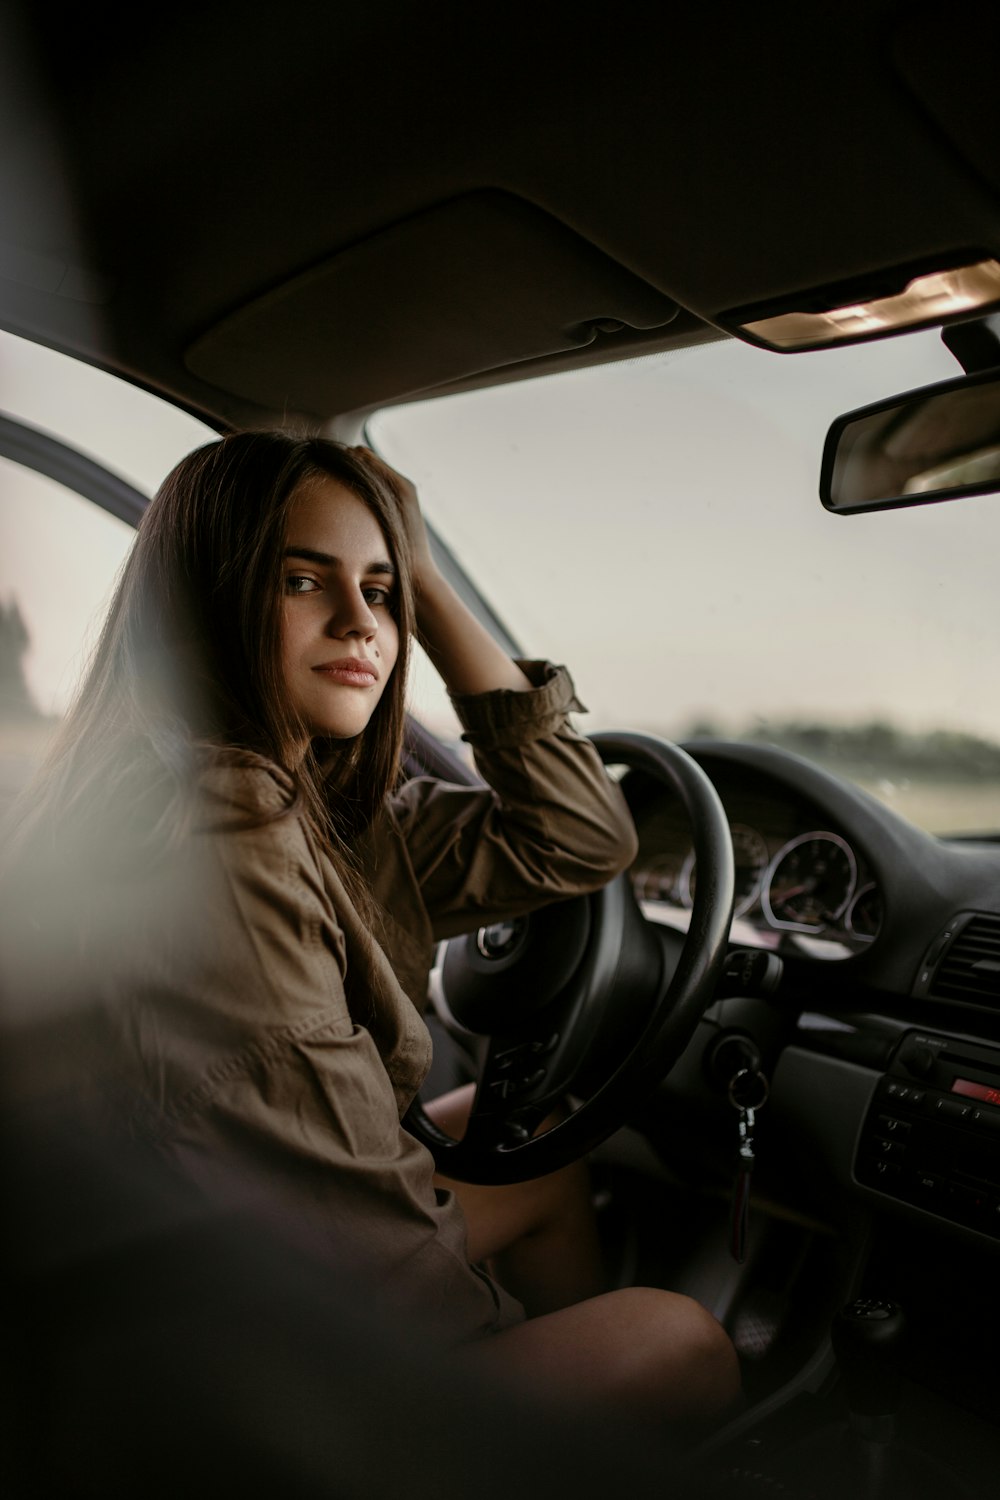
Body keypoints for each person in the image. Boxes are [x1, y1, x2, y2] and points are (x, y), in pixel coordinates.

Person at [0, 434, 739, 1430]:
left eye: (381, 591)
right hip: (243, 1346)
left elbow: (577, 835)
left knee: (533, 1146)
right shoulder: (228, 823)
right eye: (304, 580)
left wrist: (422, 570)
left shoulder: (314, 809)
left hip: (207, 1262)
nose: (360, 621)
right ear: (206, 601)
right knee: (677, 1337)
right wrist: (491, 1344)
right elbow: (355, 1228)